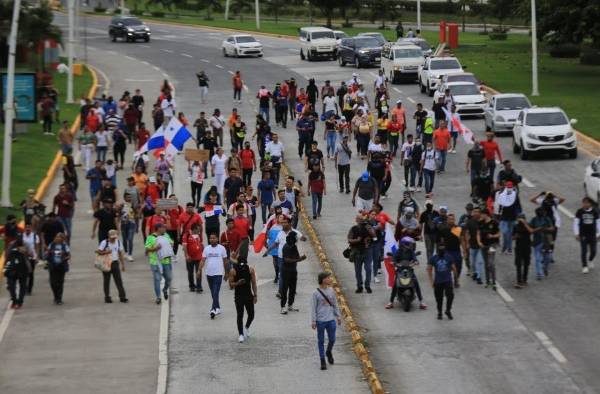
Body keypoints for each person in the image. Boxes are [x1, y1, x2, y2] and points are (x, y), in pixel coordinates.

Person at [311, 271, 341, 371]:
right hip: (320, 321)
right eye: (328, 278)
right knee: (321, 341)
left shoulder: (331, 290)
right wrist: (313, 321)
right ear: (323, 280)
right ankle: (322, 360)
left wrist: (338, 316)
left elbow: (335, 304)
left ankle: (328, 351)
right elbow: (313, 308)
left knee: (332, 339)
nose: (330, 279)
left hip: (330, 319)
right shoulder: (315, 293)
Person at [386, 237, 426, 309]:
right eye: (409, 244)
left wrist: (416, 262)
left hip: (409, 269)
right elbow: (394, 259)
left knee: (416, 282)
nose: (411, 245)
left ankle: (421, 301)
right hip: (400, 270)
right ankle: (391, 302)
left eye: (411, 244)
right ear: (404, 244)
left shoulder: (411, 251)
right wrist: (394, 263)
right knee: (395, 284)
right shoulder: (398, 251)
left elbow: (415, 258)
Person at [228, 256, 257, 343]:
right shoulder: (233, 271)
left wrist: (255, 295)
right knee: (240, 315)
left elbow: (254, 283)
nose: (242, 266)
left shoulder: (250, 270)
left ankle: (246, 327)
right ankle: (240, 334)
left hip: (248, 295)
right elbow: (230, 285)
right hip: (239, 296)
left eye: (244, 265)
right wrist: (238, 283)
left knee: (251, 314)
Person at [201, 233, 229, 319]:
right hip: (209, 274)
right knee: (213, 293)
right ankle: (218, 308)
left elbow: (225, 261)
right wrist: (199, 270)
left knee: (215, 291)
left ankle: (213, 309)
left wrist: (226, 273)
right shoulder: (206, 249)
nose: (212, 240)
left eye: (214, 238)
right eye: (210, 238)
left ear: (217, 239)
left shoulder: (222, 249)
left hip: (218, 273)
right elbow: (203, 260)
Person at [427, 241, 457, 320]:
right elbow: (429, 269)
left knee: (449, 296)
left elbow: (454, 269)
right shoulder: (433, 258)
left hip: (447, 280)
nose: (441, 250)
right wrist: (431, 281)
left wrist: (455, 279)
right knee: (439, 298)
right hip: (438, 281)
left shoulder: (448, 257)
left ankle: (447, 310)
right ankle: (440, 312)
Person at [145, 223, 174, 304]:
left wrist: (171, 244)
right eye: (163, 227)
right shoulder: (150, 238)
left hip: (166, 261)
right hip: (155, 262)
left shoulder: (166, 235)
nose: (165, 229)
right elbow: (147, 250)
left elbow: (171, 242)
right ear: (158, 228)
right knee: (157, 279)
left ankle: (165, 289)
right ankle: (158, 297)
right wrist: (155, 248)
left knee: (169, 278)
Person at [96, 230, 128, 303]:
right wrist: (105, 252)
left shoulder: (118, 242)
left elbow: (120, 253)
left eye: (114, 237)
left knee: (119, 280)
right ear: (108, 236)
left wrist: (122, 264)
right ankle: (107, 297)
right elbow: (98, 251)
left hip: (115, 263)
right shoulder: (104, 242)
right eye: (112, 237)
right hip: (106, 263)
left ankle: (122, 296)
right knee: (106, 281)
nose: (113, 239)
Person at [280, 231, 306, 315]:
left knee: (293, 289)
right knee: (285, 289)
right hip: (286, 271)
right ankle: (283, 307)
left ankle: (290, 305)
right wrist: (299, 259)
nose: (296, 239)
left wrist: (300, 257)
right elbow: (286, 260)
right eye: (295, 237)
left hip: (293, 270)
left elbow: (297, 256)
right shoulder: (286, 247)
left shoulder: (294, 246)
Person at [348, 215, 375, 293]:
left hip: (367, 251)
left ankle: (367, 285)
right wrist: (356, 240)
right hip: (357, 252)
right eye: (359, 219)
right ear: (356, 220)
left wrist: (369, 228)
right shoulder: (353, 229)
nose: (360, 220)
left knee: (368, 269)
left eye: (362, 219)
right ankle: (359, 286)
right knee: (358, 270)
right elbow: (349, 239)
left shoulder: (368, 227)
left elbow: (374, 236)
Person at [574, 197, 600, 274]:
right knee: (584, 251)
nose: (584, 204)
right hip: (583, 234)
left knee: (594, 251)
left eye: (586, 203)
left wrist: (599, 234)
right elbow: (576, 223)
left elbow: (598, 223)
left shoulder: (595, 212)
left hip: (592, 234)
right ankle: (584, 266)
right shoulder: (579, 212)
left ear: (590, 204)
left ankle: (590, 259)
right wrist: (576, 233)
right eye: (583, 203)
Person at [495, 181, 521, 254]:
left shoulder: (515, 195)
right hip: (504, 216)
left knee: (509, 233)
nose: (509, 188)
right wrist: (498, 215)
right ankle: (505, 247)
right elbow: (500, 205)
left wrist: (519, 214)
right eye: (508, 187)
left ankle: (508, 249)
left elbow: (518, 205)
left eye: (510, 187)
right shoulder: (502, 194)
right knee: (505, 232)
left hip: (512, 217)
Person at [529, 207, 555, 280]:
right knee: (537, 258)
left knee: (547, 258)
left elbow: (552, 228)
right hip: (537, 241)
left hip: (546, 242)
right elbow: (530, 229)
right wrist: (538, 229)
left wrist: (545, 229)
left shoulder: (547, 219)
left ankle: (544, 268)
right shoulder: (534, 220)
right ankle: (539, 273)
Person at [4, 239, 30, 309]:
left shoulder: (25, 245)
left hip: (23, 269)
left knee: (23, 286)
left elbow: (31, 255)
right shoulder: (10, 246)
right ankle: (14, 300)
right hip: (12, 270)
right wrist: (6, 269)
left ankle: (20, 302)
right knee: (11, 286)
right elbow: (7, 257)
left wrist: (25, 252)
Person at [46, 232, 70, 305]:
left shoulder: (64, 245)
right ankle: (55, 296)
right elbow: (48, 253)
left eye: (59, 237)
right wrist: (48, 253)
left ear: (62, 239)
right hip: (52, 266)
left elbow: (69, 255)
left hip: (61, 266)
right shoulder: (51, 245)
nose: (57, 238)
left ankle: (59, 298)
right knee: (52, 282)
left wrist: (64, 257)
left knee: (60, 282)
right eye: (56, 237)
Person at [479, 209, 500, 290]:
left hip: (492, 245)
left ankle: (494, 282)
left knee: (490, 263)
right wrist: (479, 242)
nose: (481, 216)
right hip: (483, 245)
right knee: (486, 263)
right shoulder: (480, 223)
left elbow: (499, 234)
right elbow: (478, 233)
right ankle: (488, 281)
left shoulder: (494, 223)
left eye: (482, 214)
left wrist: (492, 236)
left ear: (486, 214)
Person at [513, 213, 533, 288]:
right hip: (518, 247)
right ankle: (519, 281)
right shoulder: (515, 226)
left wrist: (525, 224)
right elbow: (512, 237)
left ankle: (524, 279)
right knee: (518, 264)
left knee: (526, 264)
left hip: (527, 247)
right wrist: (515, 236)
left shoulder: (528, 224)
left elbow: (531, 231)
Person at [183, 223, 204, 293]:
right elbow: (184, 246)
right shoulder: (186, 235)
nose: (199, 231)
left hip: (198, 257)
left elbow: (200, 244)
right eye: (198, 229)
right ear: (194, 229)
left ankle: (199, 286)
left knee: (199, 272)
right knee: (190, 272)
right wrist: (186, 255)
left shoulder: (199, 235)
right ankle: (191, 286)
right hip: (190, 258)